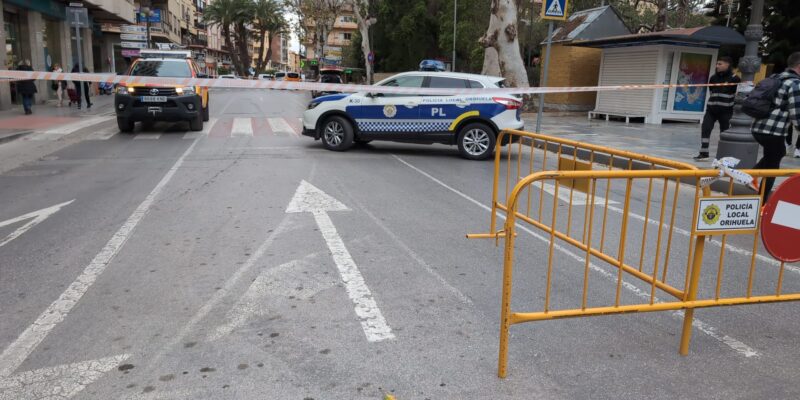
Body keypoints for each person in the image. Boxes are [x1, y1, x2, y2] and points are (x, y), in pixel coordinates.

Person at [750, 51, 800, 200]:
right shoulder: (795, 83)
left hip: (759, 127)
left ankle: (748, 175)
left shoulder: (776, 77)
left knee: (776, 153)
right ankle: (761, 202)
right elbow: (796, 112)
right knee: (772, 167)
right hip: (773, 130)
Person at [694, 56, 741, 161]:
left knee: (724, 133)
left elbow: (737, 95)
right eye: (717, 64)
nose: (717, 66)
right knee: (705, 129)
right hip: (711, 110)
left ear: (727, 65)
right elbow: (711, 91)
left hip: (726, 111)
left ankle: (724, 155)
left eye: (720, 64)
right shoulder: (713, 78)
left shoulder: (735, 78)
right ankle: (704, 152)